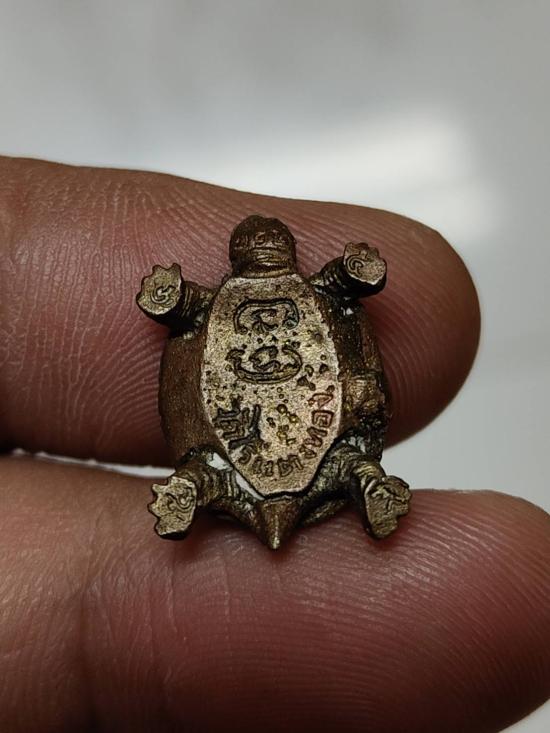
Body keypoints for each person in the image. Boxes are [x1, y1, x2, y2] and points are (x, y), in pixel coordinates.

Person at [0, 155, 548, 733]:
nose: (264, 249)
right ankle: (249, 485)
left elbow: (346, 284)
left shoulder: (313, 290)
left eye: (268, 243)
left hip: (284, 441)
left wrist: (353, 272)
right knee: (269, 464)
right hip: (238, 440)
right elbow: (182, 309)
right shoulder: (238, 299)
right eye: (258, 244)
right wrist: (171, 298)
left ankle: (308, 484)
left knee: (302, 461)